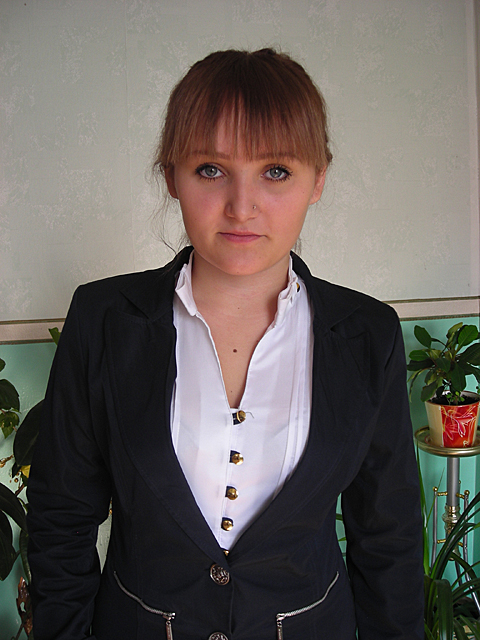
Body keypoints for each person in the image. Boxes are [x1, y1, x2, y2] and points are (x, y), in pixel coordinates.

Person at [27, 48, 423, 640]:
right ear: (172, 176)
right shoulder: (102, 319)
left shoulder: (369, 334)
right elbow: (61, 520)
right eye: (211, 169)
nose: (242, 206)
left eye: (276, 171)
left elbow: (388, 538)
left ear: (318, 179)